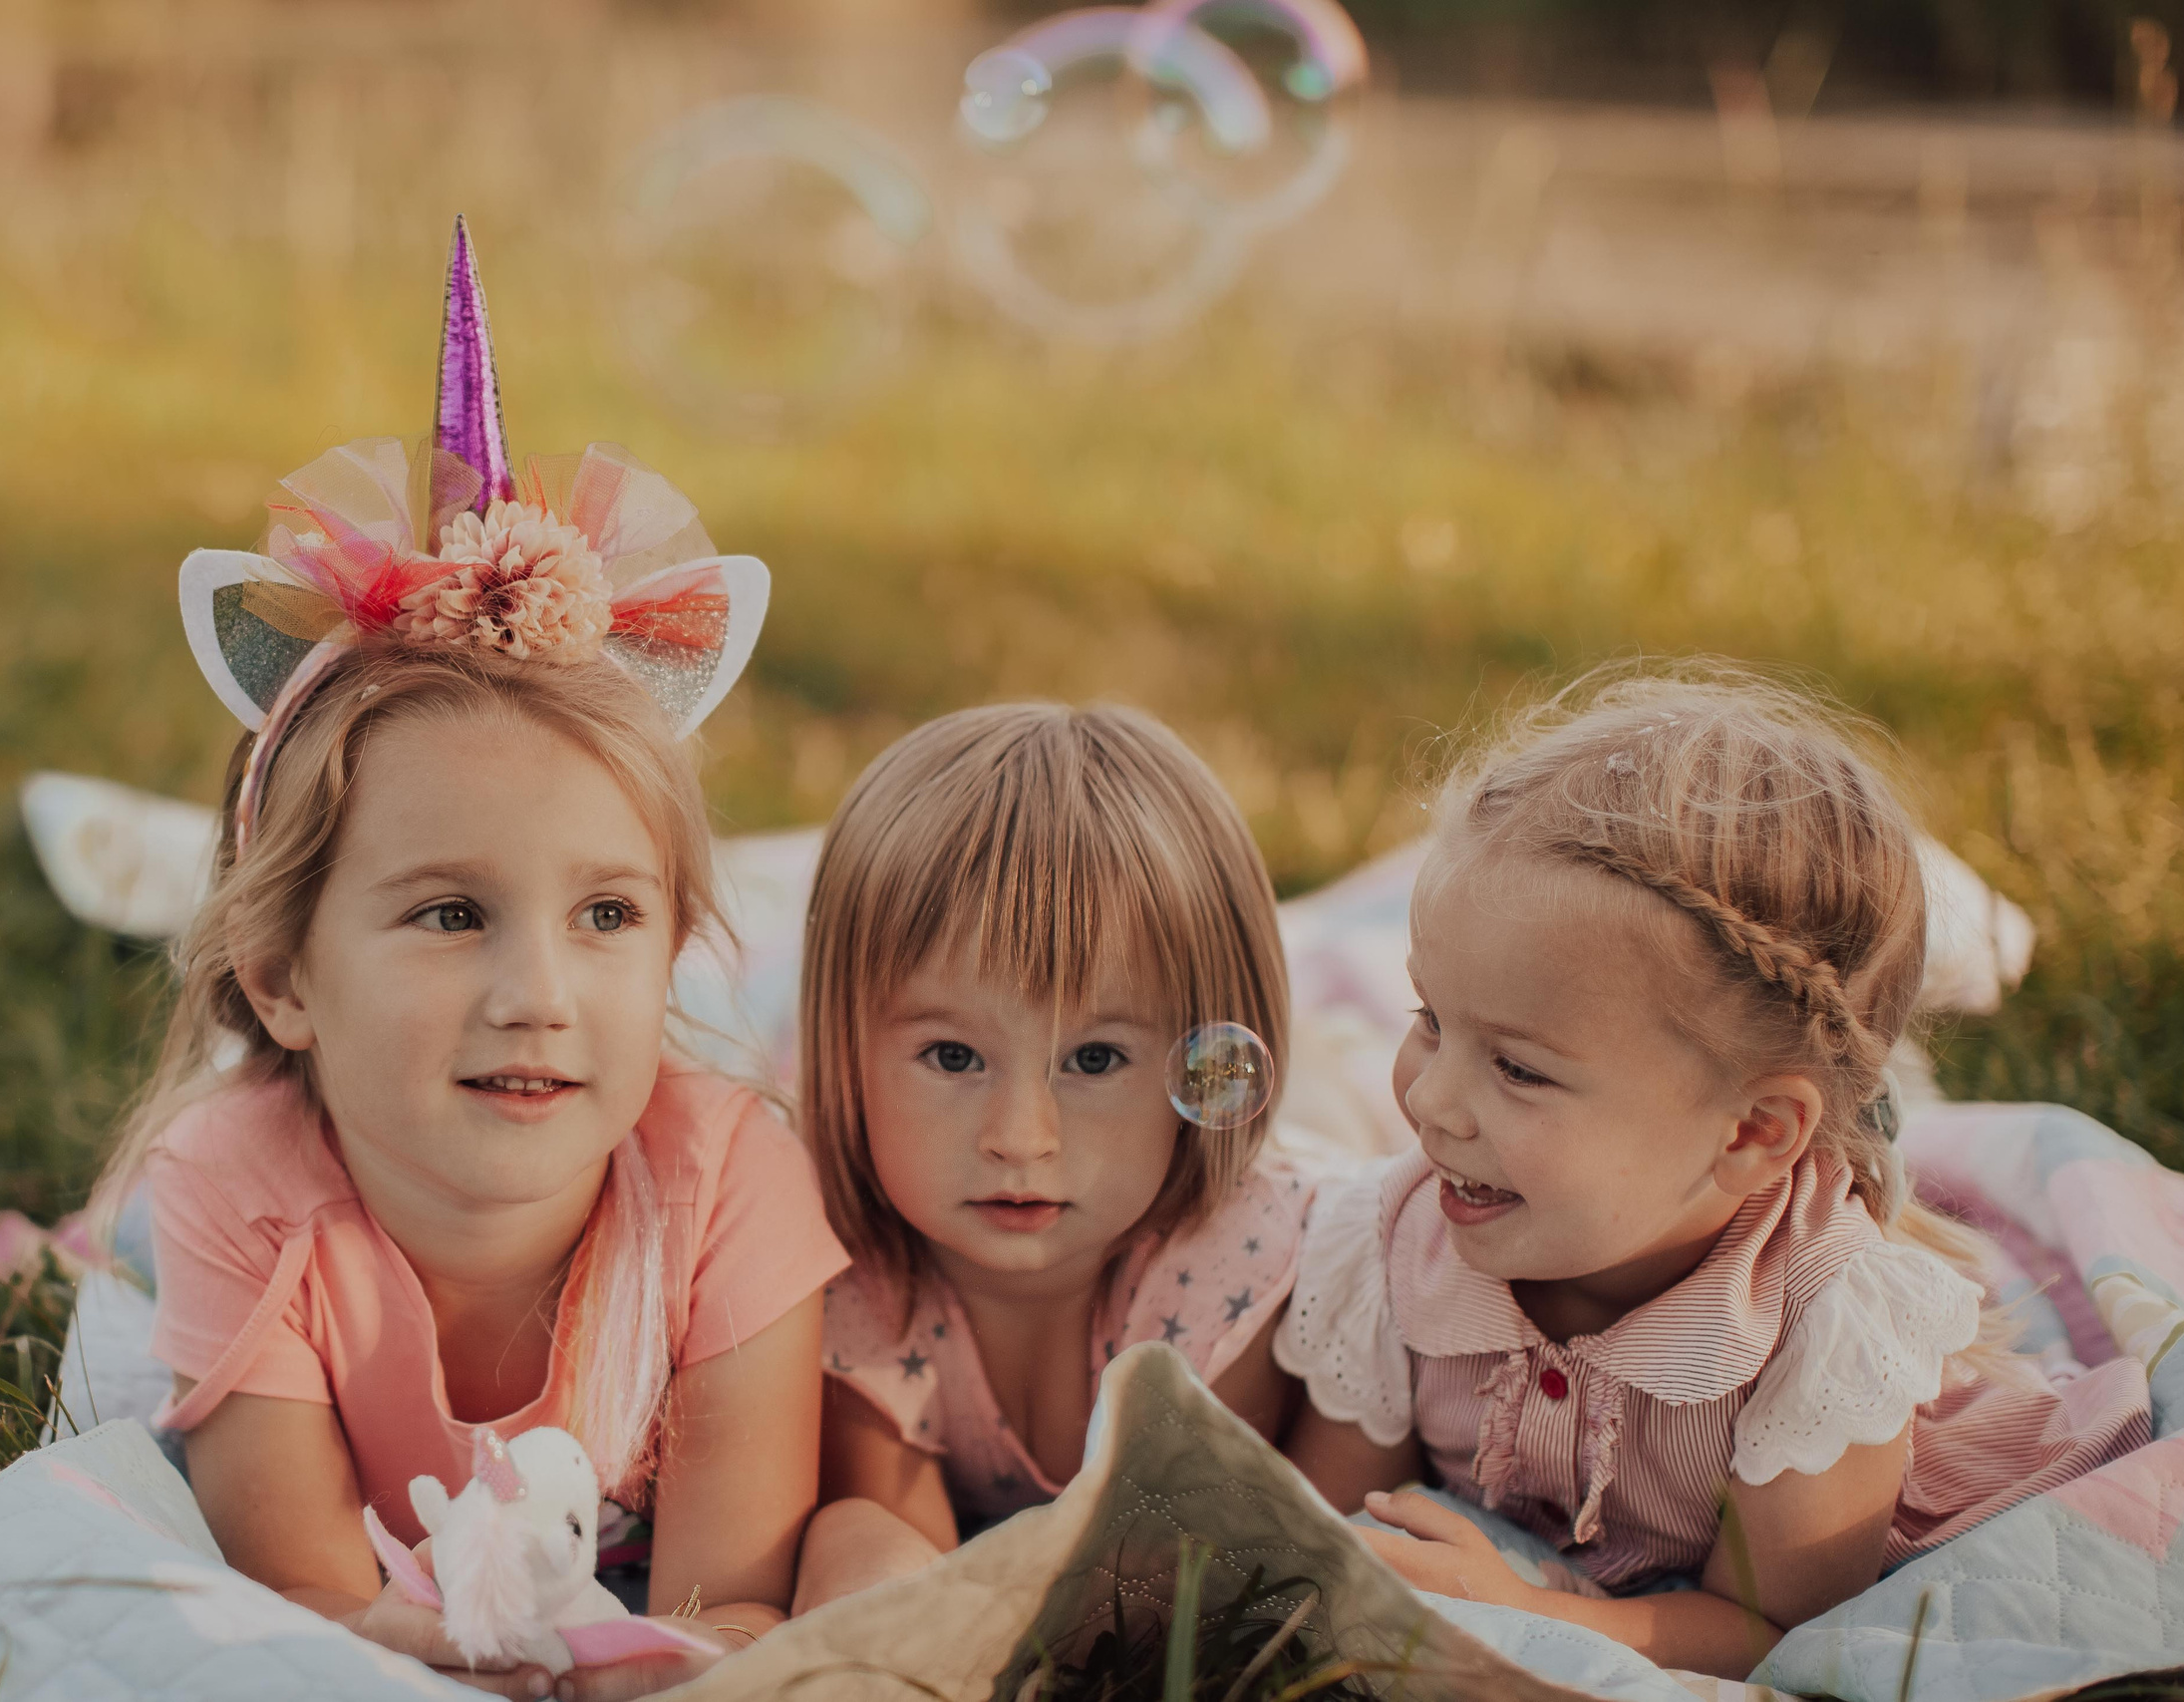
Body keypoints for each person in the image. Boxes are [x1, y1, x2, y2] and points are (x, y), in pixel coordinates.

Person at [90, 223, 846, 1701]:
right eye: (451, 913)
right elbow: (313, 1607)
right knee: (137, 1234)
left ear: (678, 937)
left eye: (608, 916)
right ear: (281, 973)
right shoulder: (241, 1193)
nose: (539, 994)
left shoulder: (730, 1186)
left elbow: (735, 1609)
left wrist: (648, 1664)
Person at [1273, 667, 2152, 1679]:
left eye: (1516, 1066)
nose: (1427, 1102)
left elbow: (1774, 1635)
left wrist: (1526, 1613)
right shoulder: (1394, 1246)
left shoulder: (1816, 1334)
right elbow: (1330, 1523)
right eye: (1430, 1019)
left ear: (1751, 1134)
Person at [789, 703, 1322, 1608]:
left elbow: (1173, 1577)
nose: (1022, 1138)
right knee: (846, 1533)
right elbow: (900, 1551)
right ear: (845, 1052)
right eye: (953, 1057)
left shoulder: (1232, 1264)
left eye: (1095, 1058)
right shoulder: (842, 1264)